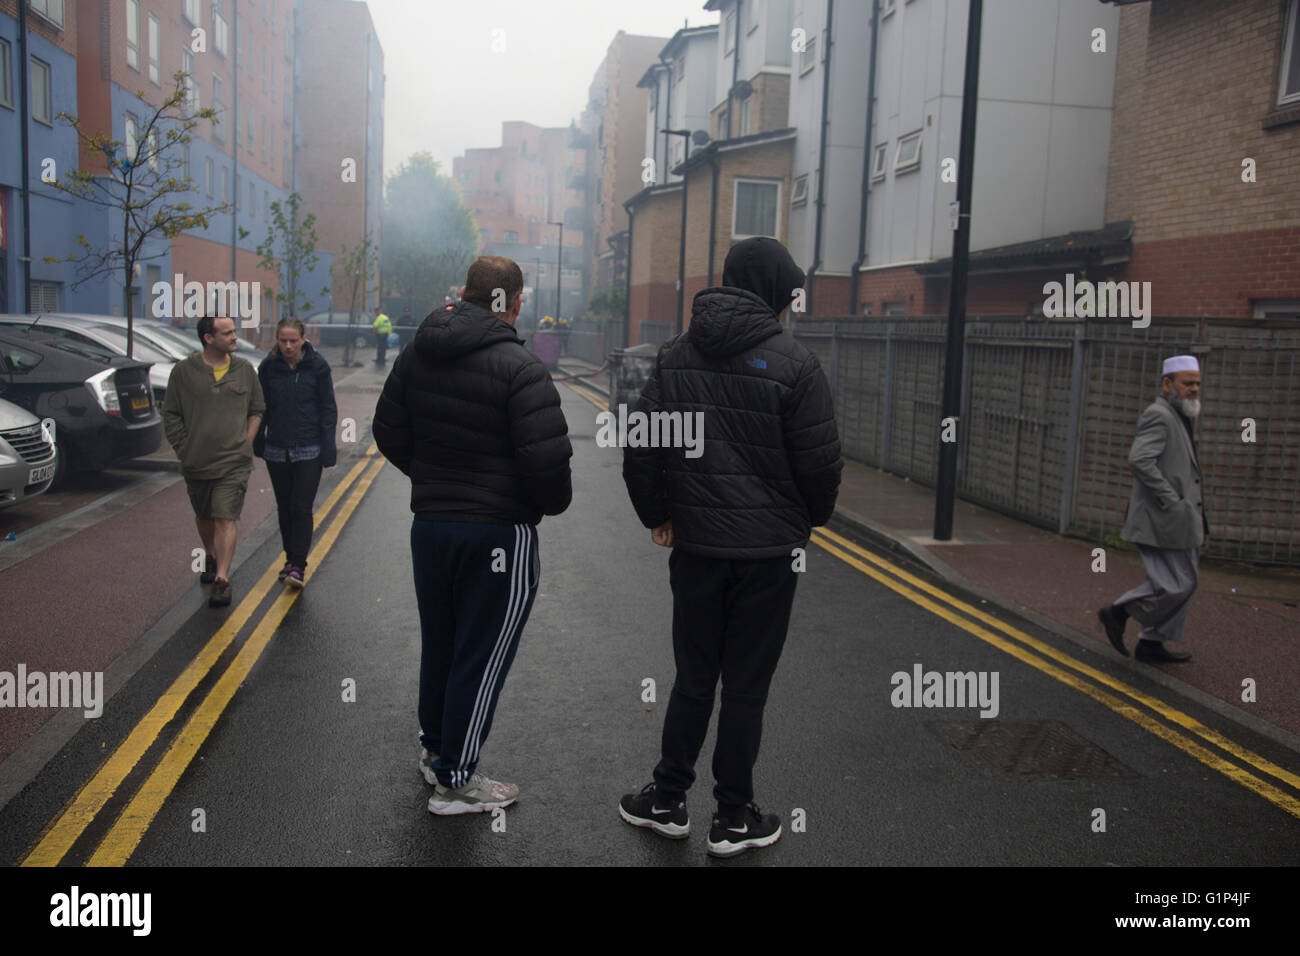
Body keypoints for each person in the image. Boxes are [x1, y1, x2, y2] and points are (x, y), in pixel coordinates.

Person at [619, 236, 842, 858]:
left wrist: (659, 514)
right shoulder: (796, 366)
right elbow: (821, 467)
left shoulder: (674, 356)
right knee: (746, 687)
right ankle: (734, 818)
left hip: (697, 550)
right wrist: (806, 521)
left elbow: (643, 447)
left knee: (694, 677)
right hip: (769, 558)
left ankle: (666, 800)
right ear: (774, 293)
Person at [373, 255, 572, 816]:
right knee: (479, 655)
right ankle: (456, 781)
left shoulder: (419, 350)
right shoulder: (521, 367)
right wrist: (537, 505)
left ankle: (437, 751)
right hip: (497, 537)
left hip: (431, 526)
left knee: (442, 641)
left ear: (465, 292)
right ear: (512, 302)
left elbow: (387, 429)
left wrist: (435, 480)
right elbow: (548, 465)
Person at [1098, 355, 1208, 663]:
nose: (1194, 389)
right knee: (1177, 585)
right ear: (1166, 384)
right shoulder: (1158, 414)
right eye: (1188, 383)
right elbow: (1139, 460)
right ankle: (1118, 612)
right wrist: (1171, 500)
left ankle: (1150, 644)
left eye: (1198, 383)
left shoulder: (1179, 415)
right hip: (1161, 518)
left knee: (1183, 583)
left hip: (1180, 519)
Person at [163, 315, 266, 608]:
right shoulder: (184, 372)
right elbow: (170, 413)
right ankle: (209, 553)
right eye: (228, 333)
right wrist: (184, 447)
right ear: (209, 338)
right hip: (196, 461)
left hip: (234, 461)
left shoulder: (245, 370)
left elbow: (257, 408)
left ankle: (222, 578)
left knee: (226, 515)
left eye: (234, 332)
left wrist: (246, 442)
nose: (235, 337)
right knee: (205, 515)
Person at [253, 317, 338, 588]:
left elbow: (328, 407)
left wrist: (328, 445)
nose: (288, 346)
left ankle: (298, 566)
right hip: (277, 448)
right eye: (282, 341)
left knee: (301, 507)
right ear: (276, 340)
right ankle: (289, 558)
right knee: (285, 507)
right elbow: (261, 405)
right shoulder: (268, 367)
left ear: (303, 339)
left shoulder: (318, 366)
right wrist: (258, 439)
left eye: (293, 340)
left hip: (309, 448)